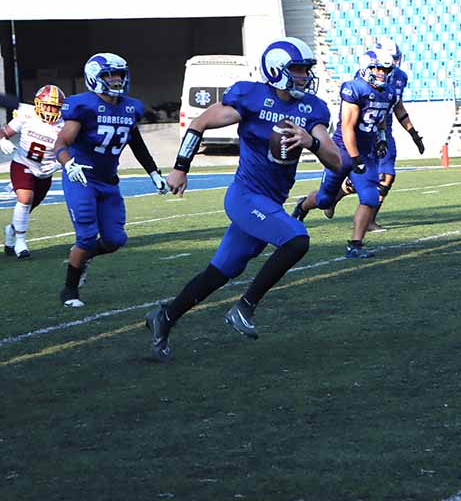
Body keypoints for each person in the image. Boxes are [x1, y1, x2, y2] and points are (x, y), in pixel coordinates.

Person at [145, 37, 340, 362]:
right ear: (277, 70)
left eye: (307, 69)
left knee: (220, 272)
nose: (305, 76)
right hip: (245, 196)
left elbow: (336, 161)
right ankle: (245, 307)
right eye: (297, 69)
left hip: (269, 203)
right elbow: (199, 123)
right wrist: (180, 168)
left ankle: (164, 317)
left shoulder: (313, 109)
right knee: (297, 239)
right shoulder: (250, 96)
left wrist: (312, 143)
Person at [52, 53, 168, 308]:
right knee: (85, 237)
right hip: (81, 177)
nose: (116, 79)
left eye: (119, 74)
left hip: (108, 180)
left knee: (116, 240)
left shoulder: (130, 107)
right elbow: (61, 142)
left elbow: (135, 141)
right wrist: (68, 162)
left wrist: (153, 172)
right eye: (109, 75)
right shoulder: (83, 105)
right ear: (94, 77)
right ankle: (70, 290)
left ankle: (83, 258)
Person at [290, 47, 394, 258]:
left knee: (370, 198)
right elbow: (347, 127)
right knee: (325, 200)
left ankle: (355, 245)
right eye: (377, 68)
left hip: (367, 152)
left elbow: (380, 117)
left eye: (385, 69)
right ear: (366, 68)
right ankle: (303, 206)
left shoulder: (387, 92)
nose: (382, 73)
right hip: (342, 151)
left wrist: (382, 138)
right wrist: (355, 158)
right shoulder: (355, 89)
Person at [320, 37, 425, 230]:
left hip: (385, 129)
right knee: (364, 177)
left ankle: (368, 220)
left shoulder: (399, 77)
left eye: (394, 59)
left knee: (387, 176)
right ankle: (336, 196)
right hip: (364, 133)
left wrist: (413, 133)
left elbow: (398, 106)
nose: (391, 64)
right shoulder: (361, 80)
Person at [1, 85, 65, 259]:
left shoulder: (65, 123)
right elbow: (3, 132)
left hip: (45, 171)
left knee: (29, 206)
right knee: (25, 199)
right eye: (47, 105)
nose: (51, 110)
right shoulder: (27, 114)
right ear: (38, 104)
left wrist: (60, 164)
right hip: (23, 163)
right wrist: (2, 140)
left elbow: (70, 149)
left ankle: (12, 230)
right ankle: (20, 243)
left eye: (55, 107)